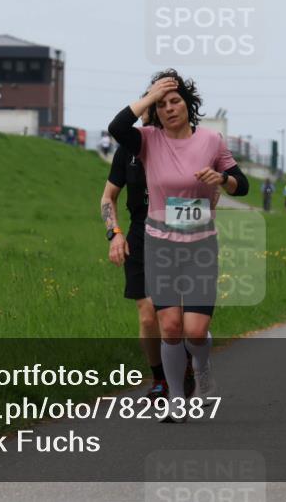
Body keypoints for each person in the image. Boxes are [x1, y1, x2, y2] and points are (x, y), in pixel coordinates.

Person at [108, 71, 249, 421]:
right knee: (170, 326)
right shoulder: (147, 140)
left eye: (175, 100)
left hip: (200, 246)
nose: (170, 108)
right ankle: (175, 397)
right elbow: (116, 126)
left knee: (195, 331)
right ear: (154, 110)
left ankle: (201, 368)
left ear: (188, 104)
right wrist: (151, 94)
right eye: (162, 104)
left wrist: (223, 179)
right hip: (160, 246)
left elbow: (242, 185)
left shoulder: (211, 141)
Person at [101, 122, 168, 403]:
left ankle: (188, 365)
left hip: (177, 233)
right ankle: (160, 379)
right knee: (147, 313)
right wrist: (114, 234)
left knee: (176, 319)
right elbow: (108, 197)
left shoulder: (178, 145)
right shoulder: (127, 150)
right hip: (140, 233)